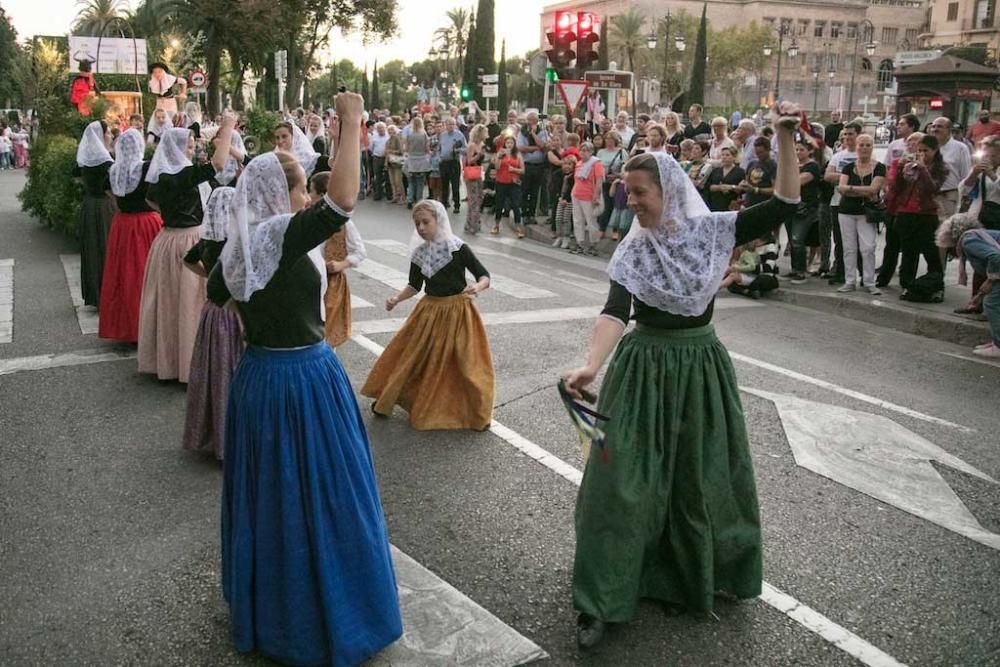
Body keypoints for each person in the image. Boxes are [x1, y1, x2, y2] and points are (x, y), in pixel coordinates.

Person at [564, 103, 801, 650]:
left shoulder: (714, 232)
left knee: (702, 479)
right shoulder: (633, 250)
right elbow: (613, 311)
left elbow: (786, 202)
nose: (631, 200)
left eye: (639, 192)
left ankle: (702, 572)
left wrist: (786, 137)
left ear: (667, 190)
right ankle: (601, 598)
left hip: (700, 368)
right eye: (626, 191)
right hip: (642, 369)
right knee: (618, 484)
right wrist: (592, 363)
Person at [208, 93, 402, 665]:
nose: (305, 199)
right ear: (280, 194)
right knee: (329, 497)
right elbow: (342, 199)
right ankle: (332, 616)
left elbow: (213, 289)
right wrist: (351, 120)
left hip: (258, 379)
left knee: (271, 501)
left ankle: (275, 611)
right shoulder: (279, 235)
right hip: (305, 379)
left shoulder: (240, 248)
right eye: (299, 191)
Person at [361, 199, 494, 430]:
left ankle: (475, 411)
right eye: (417, 223)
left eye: (426, 222)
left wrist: (478, 286)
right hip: (429, 311)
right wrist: (397, 298)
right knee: (412, 356)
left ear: (438, 221)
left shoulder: (458, 248)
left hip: (458, 311)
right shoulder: (419, 254)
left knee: (466, 362)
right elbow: (414, 285)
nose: (421, 227)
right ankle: (389, 397)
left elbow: (484, 275)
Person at [138, 119, 232, 383]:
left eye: (192, 146)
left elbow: (151, 201)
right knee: (191, 302)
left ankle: (170, 360)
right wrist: (228, 128)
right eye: (189, 147)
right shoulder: (180, 175)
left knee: (171, 302)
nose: (191, 151)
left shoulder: (161, 175)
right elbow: (219, 165)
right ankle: (192, 364)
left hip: (167, 239)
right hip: (187, 238)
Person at [181, 186, 242, 460]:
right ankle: (235, 439)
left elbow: (187, 260)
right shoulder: (237, 243)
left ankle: (214, 434)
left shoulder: (206, 241)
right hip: (236, 314)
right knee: (236, 373)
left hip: (213, 312)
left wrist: (208, 276)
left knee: (215, 374)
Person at [100, 128, 164, 342]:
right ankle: (147, 326)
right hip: (147, 223)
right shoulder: (146, 168)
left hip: (122, 224)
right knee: (146, 274)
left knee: (123, 275)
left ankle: (125, 326)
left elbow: (109, 193)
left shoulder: (114, 170)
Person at [309, 171, 367, 347]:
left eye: (311, 191)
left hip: (332, 283)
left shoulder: (343, 223)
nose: (308, 195)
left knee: (329, 331)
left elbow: (360, 251)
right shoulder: (307, 219)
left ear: (321, 195)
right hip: (310, 281)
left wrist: (341, 264)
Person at [890, 135, 947, 300]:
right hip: (906, 212)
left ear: (935, 151)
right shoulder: (911, 165)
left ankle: (936, 286)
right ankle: (907, 285)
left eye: (926, 151)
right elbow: (896, 188)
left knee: (931, 252)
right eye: (919, 150)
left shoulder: (940, 168)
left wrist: (923, 169)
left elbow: (933, 189)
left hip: (926, 214)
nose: (922, 154)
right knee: (908, 252)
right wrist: (901, 171)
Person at [836, 133, 886, 294]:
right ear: (856, 147)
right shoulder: (848, 167)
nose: (864, 148)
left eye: (868, 145)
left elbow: (874, 189)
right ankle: (850, 281)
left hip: (866, 213)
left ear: (872, 147)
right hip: (846, 211)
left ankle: (869, 281)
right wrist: (861, 191)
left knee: (868, 247)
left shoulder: (879, 167)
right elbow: (841, 188)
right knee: (849, 248)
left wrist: (851, 189)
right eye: (861, 145)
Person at [74, 121, 115, 308]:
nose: (112, 136)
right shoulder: (105, 161)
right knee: (105, 248)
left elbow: (76, 176)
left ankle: (94, 294)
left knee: (93, 249)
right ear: (101, 135)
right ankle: (106, 294)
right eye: (108, 133)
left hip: (89, 205)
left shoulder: (85, 158)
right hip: (104, 207)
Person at [823, 122, 860, 283]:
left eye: (850, 134)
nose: (846, 137)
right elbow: (827, 176)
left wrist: (842, 178)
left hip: (858, 204)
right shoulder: (838, 156)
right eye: (844, 134)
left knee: (858, 241)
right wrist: (847, 176)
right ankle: (840, 272)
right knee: (839, 240)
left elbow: (865, 177)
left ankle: (861, 273)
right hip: (837, 202)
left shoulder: (863, 155)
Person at [785, 139, 823, 283]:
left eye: (801, 149)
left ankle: (801, 271)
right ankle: (794, 268)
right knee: (791, 238)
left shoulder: (812, 166)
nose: (798, 152)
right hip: (790, 206)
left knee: (797, 239)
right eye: (797, 149)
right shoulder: (793, 164)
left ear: (810, 151)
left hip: (806, 207)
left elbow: (798, 181)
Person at [958, 228, 1000, 357]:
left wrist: (990, 281)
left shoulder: (969, 240)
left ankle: (998, 345)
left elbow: (995, 257)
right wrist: (979, 295)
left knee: (992, 304)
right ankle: (996, 342)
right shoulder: (975, 235)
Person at [929, 116, 972, 221]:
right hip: (929, 196)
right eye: (933, 126)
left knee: (945, 230)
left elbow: (965, 174)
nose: (935, 129)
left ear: (949, 130)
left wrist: (965, 197)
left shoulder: (960, 148)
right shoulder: (928, 147)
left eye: (940, 126)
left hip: (949, 196)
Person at [571, 141, 606, 256]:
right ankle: (579, 243)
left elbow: (599, 181)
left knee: (591, 222)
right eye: (581, 150)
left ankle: (593, 245)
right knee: (577, 220)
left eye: (586, 150)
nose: (583, 153)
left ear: (591, 152)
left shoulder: (596, 164)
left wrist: (596, 196)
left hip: (589, 196)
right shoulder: (579, 163)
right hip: (577, 194)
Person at [517, 111, 550, 223]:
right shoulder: (522, 132)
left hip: (539, 166)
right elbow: (521, 148)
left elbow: (543, 145)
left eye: (534, 120)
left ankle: (532, 214)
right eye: (529, 120)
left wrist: (534, 134)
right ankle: (524, 214)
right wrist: (536, 148)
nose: (531, 123)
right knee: (525, 190)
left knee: (535, 191)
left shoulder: (543, 132)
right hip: (527, 165)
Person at [493, 134, 525, 236]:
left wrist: (514, 169)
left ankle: (518, 227)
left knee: (516, 205)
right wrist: (498, 157)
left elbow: (522, 170)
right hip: (501, 182)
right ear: (505, 144)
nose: (509, 145)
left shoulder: (518, 154)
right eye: (507, 143)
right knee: (499, 204)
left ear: (514, 144)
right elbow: (497, 167)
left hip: (514, 183)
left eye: (511, 143)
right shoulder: (501, 153)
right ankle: (496, 225)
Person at [437, 116, 468, 213]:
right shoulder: (442, 135)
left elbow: (465, 149)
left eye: (453, 124)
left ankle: (457, 205)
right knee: (444, 184)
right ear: (445, 125)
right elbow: (439, 148)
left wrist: (457, 150)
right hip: (444, 162)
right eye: (449, 124)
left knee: (455, 184)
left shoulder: (459, 135)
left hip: (454, 162)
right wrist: (439, 158)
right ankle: (444, 203)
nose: (451, 126)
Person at [704, 146, 745, 212]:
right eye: (722, 155)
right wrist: (720, 187)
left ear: (734, 157)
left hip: (731, 205)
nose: (724, 157)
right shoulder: (716, 171)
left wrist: (731, 187)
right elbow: (708, 186)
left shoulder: (740, 172)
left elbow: (742, 189)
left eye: (727, 155)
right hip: (714, 204)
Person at [464, 123, 488, 233]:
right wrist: (478, 155)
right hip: (471, 173)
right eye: (484, 133)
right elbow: (469, 161)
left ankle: (471, 223)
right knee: (473, 200)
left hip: (479, 173)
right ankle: (473, 225)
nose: (486, 135)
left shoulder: (482, 144)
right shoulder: (472, 145)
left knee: (479, 198)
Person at [405, 116, 431, 208]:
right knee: (420, 182)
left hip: (412, 159)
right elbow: (426, 148)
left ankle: (409, 200)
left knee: (411, 182)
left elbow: (406, 148)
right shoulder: (423, 134)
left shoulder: (410, 134)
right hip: (421, 159)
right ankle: (419, 200)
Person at [553, 153, 578, 249]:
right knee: (558, 218)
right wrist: (559, 197)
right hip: (560, 199)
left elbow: (573, 189)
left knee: (566, 219)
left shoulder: (574, 177)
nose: (566, 166)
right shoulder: (558, 174)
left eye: (569, 164)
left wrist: (567, 199)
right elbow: (554, 188)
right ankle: (559, 236)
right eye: (565, 164)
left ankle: (566, 237)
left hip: (569, 200)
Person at [385, 124, 406, 204]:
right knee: (392, 181)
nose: (390, 132)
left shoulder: (397, 139)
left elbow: (401, 151)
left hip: (397, 163)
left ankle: (402, 198)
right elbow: (386, 152)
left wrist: (392, 151)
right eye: (389, 130)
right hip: (390, 163)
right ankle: (395, 197)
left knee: (398, 181)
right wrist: (386, 163)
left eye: (392, 130)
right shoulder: (388, 140)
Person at [369, 121, 390, 201]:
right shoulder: (374, 137)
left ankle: (389, 194)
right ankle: (378, 194)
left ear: (385, 128)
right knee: (377, 177)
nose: (381, 130)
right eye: (379, 128)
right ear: (377, 129)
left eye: (382, 128)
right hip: (377, 158)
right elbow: (371, 147)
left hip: (386, 158)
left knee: (387, 177)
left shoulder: (388, 136)